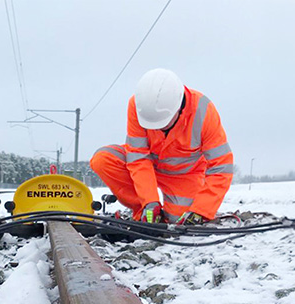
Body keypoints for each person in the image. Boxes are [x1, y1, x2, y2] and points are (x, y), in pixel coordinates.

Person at [90, 68, 234, 224]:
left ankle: (168, 214)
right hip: (146, 168)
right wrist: (149, 201)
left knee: (180, 219)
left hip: (183, 176)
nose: (157, 129)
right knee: (103, 160)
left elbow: (221, 167)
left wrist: (201, 210)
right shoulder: (138, 105)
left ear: (178, 109)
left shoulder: (203, 111)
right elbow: (138, 157)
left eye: (162, 123)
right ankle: (143, 213)